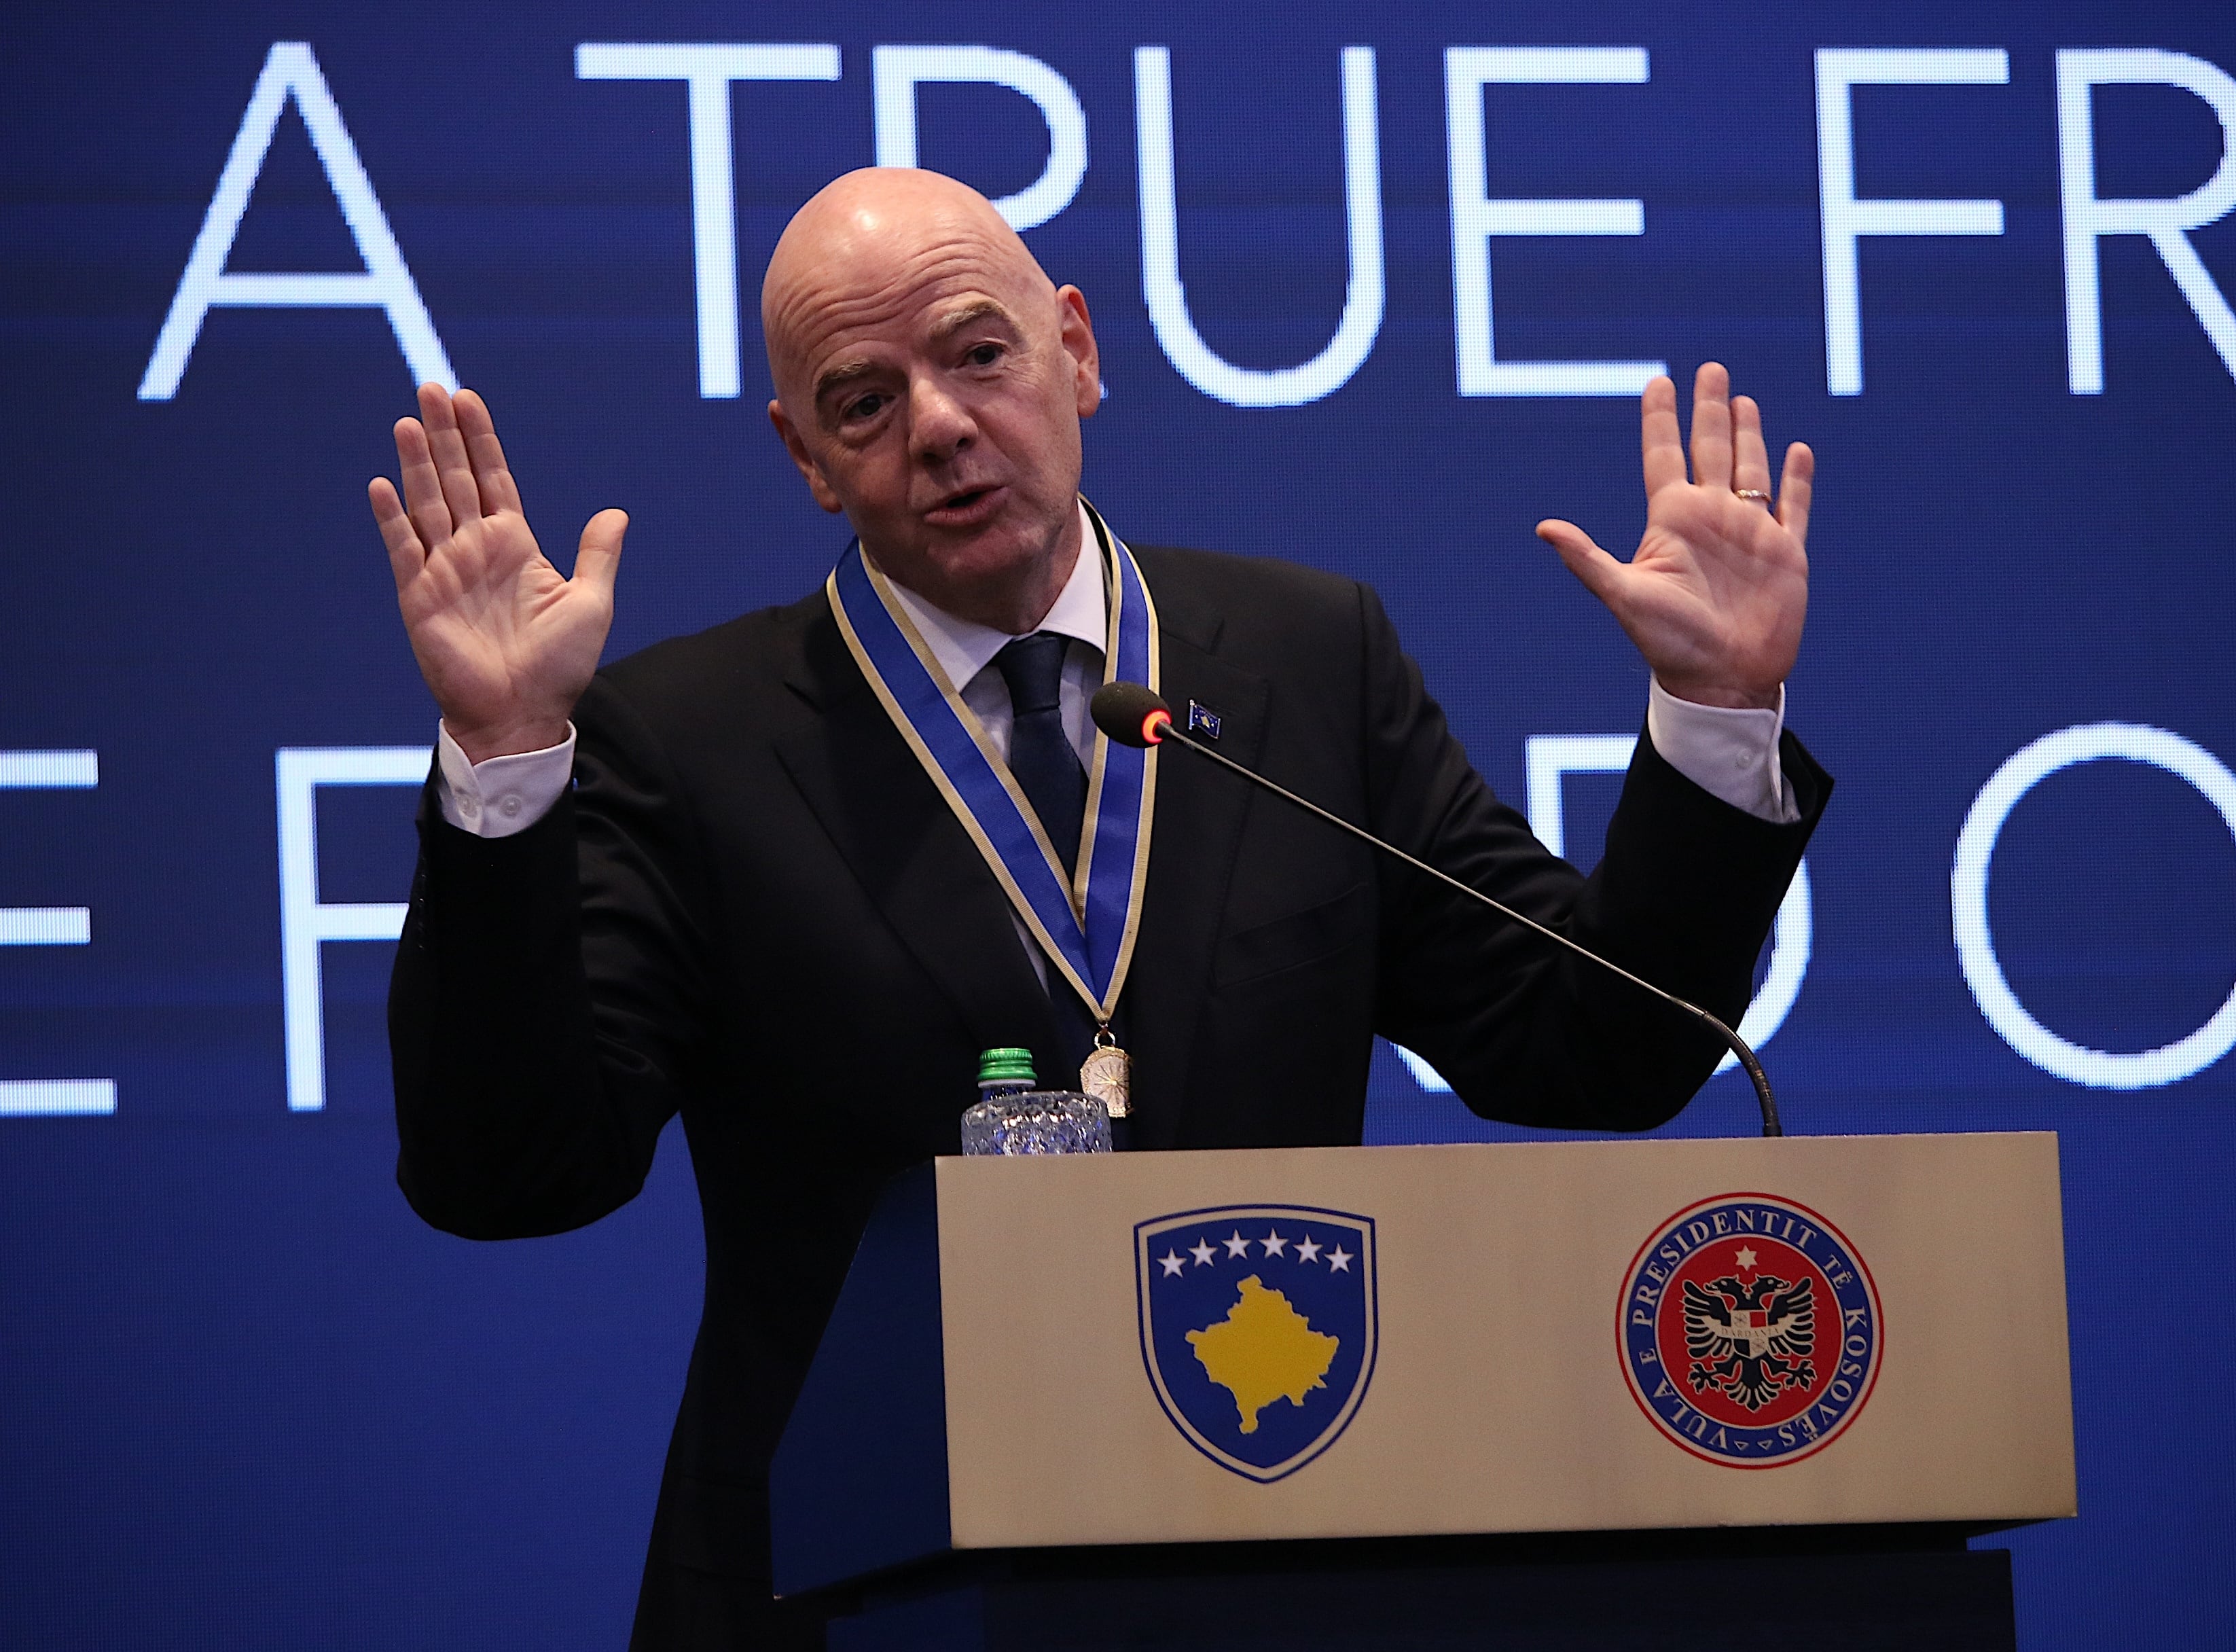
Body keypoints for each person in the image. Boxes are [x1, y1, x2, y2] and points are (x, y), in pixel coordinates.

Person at [372, 168, 1828, 1648]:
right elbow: (513, 1175)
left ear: (1074, 346)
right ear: (804, 455)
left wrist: (1715, 714)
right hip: (843, 1595)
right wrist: (502, 767)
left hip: (1272, 1576)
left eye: (978, 352)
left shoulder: (1306, 660)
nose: (937, 423)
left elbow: (1600, 1046)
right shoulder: (682, 738)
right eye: (862, 398)